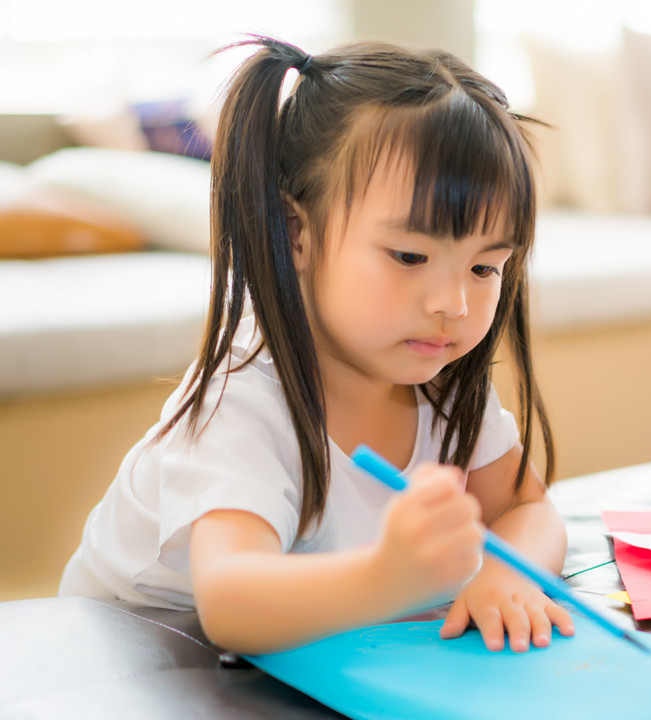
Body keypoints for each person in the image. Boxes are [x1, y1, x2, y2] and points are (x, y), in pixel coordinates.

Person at [60, 37, 572, 655]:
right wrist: (389, 576)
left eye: (486, 268)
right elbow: (231, 603)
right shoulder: (241, 399)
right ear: (295, 233)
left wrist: (508, 573)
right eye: (411, 256)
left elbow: (529, 509)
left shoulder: (438, 373)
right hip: (141, 663)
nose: (453, 305)